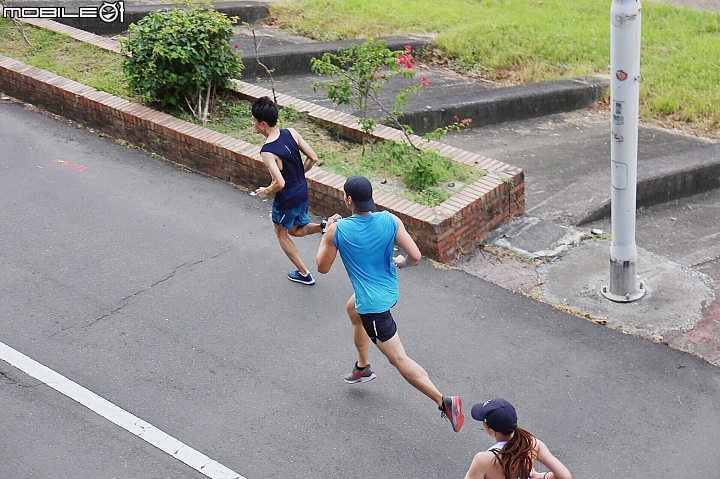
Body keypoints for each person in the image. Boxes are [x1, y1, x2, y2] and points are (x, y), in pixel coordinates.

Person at [315, 175, 464, 433]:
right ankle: (363, 367)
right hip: (388, 292)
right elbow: (415, 256)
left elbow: (322, 267)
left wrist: (327, 232)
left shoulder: (338, 230)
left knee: (398, 358)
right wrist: (400, 262)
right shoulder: (390, 220)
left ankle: (445, 402)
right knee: (352, 310)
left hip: (374, 308)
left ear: (348, 199)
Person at [252, 96, 329, 285]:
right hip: (302, 191)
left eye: (253, 120)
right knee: (294, 229)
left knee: (281, 232)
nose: (252, 123)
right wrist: (298, 173)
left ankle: (304, 273)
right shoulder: (291, 133)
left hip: (286, 199)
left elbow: (280, 183)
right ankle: (323, 227)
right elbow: (313, 157)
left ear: (263, 124)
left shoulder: (267, 150)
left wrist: (266, 190)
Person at [464, 398, 572, 479]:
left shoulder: (484, 460)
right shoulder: (533, 444)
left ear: (492, 431)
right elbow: (564, 476)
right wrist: (537, 476)